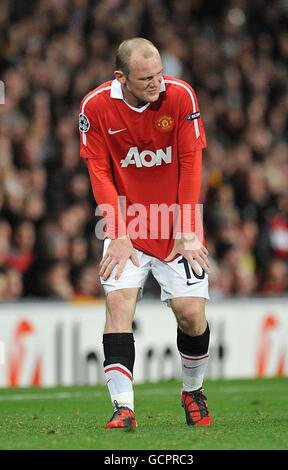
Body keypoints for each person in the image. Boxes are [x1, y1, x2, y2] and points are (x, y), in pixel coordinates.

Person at [79, 37, 212, 428]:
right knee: (118, 305)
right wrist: (117, 232)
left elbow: (191, 162)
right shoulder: (96, 106)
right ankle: (123, 408)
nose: (158, 84)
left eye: (160, 74)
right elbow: (99, 172)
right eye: (146, 79)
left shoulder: (181, 96)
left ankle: (192, 392)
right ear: (121, 77)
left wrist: (187, 228)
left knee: (191, 314)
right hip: (125, 223)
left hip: (176, 222)